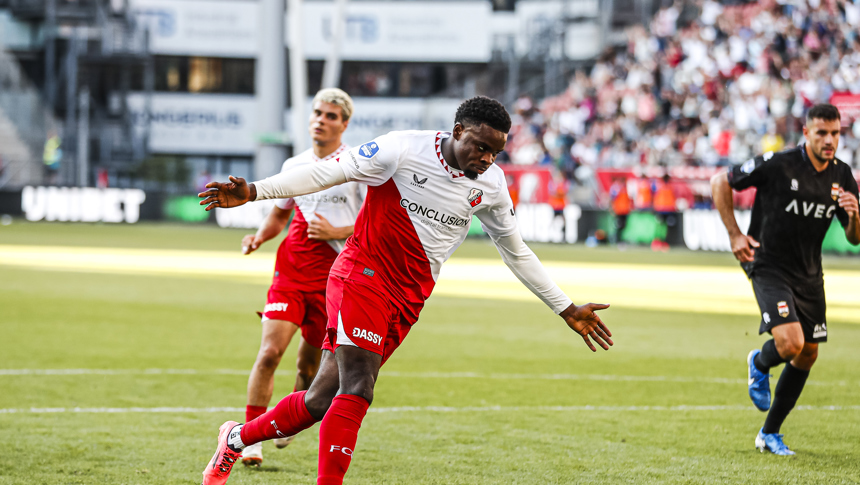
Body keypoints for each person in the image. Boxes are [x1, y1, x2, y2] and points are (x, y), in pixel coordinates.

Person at [198, 96, 613, 485]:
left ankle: (234, 439)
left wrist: (565, 307)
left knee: (321, 398)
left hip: (408, 298)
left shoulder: (491, 186)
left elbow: (516, 252)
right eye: (480, 146)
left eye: (495, 152)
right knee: (359, 385)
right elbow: (328, 171)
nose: (486, 158)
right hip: (361, 275)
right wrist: (254, 191)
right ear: (457, 130)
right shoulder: (402, 149)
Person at [710, 104, 860, 456]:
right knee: (791, 343)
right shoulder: (780, 163)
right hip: (768, 264)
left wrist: (854, 216)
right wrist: (734, 235)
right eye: (821, 133)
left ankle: (769, 433)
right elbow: (720, 182)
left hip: (809, 273)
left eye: (835, 133)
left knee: (808, 353)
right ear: (806, 133)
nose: (829, 140)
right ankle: (759, 363)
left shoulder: (842, 175)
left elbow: (854, 238)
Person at [237, 88, 362, 466]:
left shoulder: (357, 168)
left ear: (344, 124)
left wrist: (336, 232)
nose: (320, 120)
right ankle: (250, 439)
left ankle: (293, 410)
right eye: (317, 113)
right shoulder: (295, 165)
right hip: (290, 273)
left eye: (330, 116)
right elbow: (279, 214)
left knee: (308, 368)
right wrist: (259, 236)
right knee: (269, 353)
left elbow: (373, 224)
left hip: (333, 281)